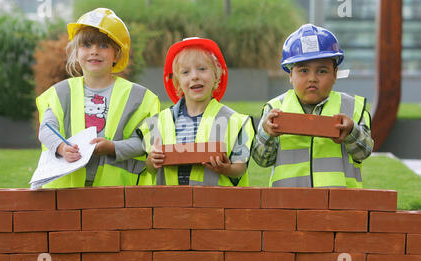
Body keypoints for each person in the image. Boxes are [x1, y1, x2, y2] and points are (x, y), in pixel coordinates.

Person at [36, 8, 160, 188]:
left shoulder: (139, 97)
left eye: (103, 45)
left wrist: (113, 148)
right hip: (67, 192)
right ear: (76, 52)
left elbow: (146, 141)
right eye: (86, 45)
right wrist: (61, 147)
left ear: (117, 54)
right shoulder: (61, 93)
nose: (94, 51)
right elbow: (46, 129)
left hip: (118, 193)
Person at [252, 24, 374, 188]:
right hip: (288, 205)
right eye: (303, 71)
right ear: (291, 75)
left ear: (335, 74)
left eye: (322, 71)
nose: (312, 78)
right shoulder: (275, 108)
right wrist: (267, 133)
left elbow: (364, 152)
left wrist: (351, 131)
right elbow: (261, 160)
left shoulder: (353, 107)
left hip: (339, 205)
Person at [137, 37, 255, 186]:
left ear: (216, 75)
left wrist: (226, 169)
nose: (194, 76)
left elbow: (240, 167)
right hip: (170, 205)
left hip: (215, 206)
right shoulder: (157, 123)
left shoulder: (235, 121)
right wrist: (151, 161)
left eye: (202, 69)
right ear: (177, 82)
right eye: (186, 72)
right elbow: (149, 169)